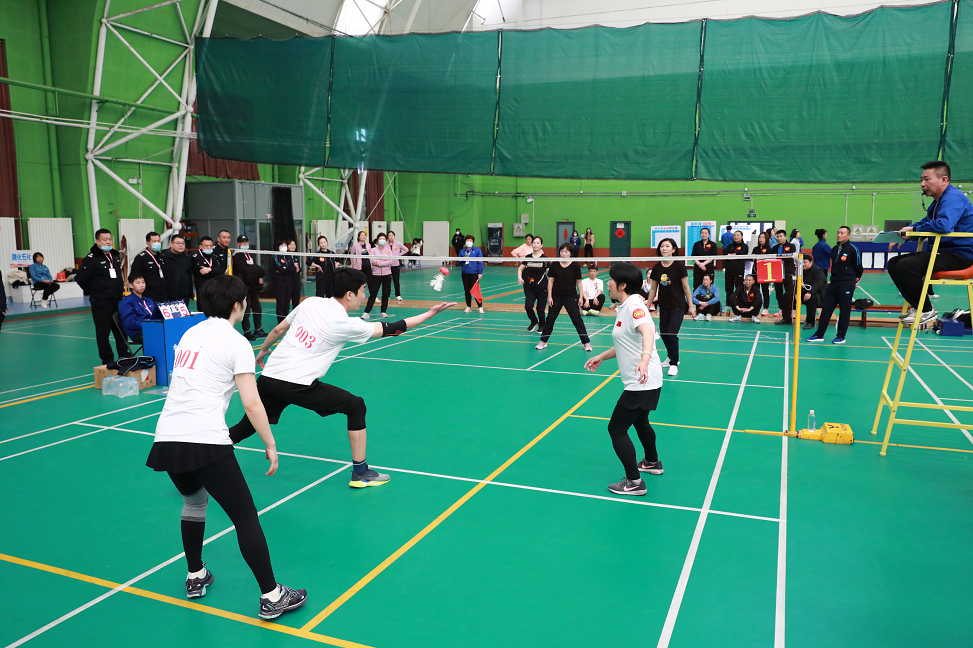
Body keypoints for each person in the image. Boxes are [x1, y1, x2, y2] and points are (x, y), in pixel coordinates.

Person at [146, 274, 307, 620]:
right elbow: (251, 403)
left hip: (167, 438)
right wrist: (270, 443)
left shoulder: (190, 333)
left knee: (194, 501)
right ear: (238, 305)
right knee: (245, 516)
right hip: (205, 438)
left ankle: (195, 574)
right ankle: (272, 596)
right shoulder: (237, 343)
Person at [228, 267, 455, 488]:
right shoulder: (345, 324)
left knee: (247, 425)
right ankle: (361, 473)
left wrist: (263, 350)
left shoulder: (311, 302)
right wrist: (430, 314)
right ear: (349, 294)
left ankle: (212, 451)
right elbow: (393, 328)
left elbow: (279, 330)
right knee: (356, 406)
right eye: (363, 290)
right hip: (298, 384)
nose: (364, 295)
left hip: (269, 377)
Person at [583, 261, 664, 497]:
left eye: (610, 280)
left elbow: (647, 333)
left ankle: (634, 481)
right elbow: (625, 342)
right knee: (640, 421)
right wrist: (601, 356)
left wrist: (644, 359)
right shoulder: (626, 306)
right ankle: (652, 462)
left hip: (641, 381)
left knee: (616, 429)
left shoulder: (635, 307)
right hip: (646, 380)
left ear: (622, 285)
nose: (607, 283)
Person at [887, 161, 973, 326]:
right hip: (943, 252)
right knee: (894, 263)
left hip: (960, 255)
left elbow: (944, 225)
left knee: (906, 265)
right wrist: (908, 234)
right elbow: (926, 222)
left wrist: (914, 230)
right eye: (921, 180)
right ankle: (918, 306)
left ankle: (926, 310)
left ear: (944, 179)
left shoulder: (953, 198)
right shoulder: (937, 202)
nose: (922, 184)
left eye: (927, 179)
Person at [77, 228, 131, 366]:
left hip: (117, 300)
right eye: (105, 239)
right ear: (97, 241)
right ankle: (107, 358)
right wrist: (95, 292)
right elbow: (81, 279)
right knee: (103, 331)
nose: (108, 242)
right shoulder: (91, 259)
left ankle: (124, 355)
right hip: (101, 302)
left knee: (120, 330)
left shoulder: (114, 256)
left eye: (110, 239)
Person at [645, 238, 696, 376]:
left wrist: (691, 306)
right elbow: (653, 289)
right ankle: (670, 357)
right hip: (664, 306)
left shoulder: (679, 266)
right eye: (662, 246)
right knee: (664, 333)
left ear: (673, 249)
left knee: (671, 333)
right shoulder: (657, 267)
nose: (664, 248)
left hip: (678, 306)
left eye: (667, 246)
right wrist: (647, 306)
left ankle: (674, 363)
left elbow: (686, 287)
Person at [807, 225, 863, 344]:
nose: (839, 235)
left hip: (847, 284)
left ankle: (841, 336)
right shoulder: (834, 249)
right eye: (838, 232)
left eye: (842, 233)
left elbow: (859, 267)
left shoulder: (853, 249)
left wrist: (856, 280)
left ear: (848, 235)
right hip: (833, 283)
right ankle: (819, 334)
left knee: (844, 310)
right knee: (826, 309)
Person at [537, 243, 591, 351]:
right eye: (562, 251)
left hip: (571, 297)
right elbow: (550, 281)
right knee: (550, 320)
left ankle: (586, 343)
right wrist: (550, 296)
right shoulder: (555, 264)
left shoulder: (575, 265)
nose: (564, 253)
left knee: (577, 320)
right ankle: (543, 341)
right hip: (556, 297)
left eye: (566, 251)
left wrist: (581, 297)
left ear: (570, 253)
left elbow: (579, 283)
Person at [232, 235, 267, 341]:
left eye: (246, 242)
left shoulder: (250, 255)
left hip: (253, 287)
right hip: (244, 286)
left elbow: (254, 269)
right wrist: (255, 270)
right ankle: (247, 332)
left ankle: (258, 329)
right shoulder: (237, 256)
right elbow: (245, 270)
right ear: (238, 244)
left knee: (257, 308)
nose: (245, 244)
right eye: (242, 243)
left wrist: (259, 277)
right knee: (246, 310)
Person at [518, 235, 547, 332]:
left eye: (538, 243)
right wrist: (520, 278)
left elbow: (549, 272)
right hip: (530, 287)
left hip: (542, 287)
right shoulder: (528, 257)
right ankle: (534, 321)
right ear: (532, 244)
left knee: (540, 309)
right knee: (528, 306)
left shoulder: (544, 258)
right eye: (534, 242)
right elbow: (520, 269)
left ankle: (542, 324)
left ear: (541, 245)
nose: (535, 244)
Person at [363, 232, 395, 319]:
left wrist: (379, 263)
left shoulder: (389, 250)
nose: (382, 240)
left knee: (386, 294)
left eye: (384, 239)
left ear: (386, 240)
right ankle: (366, 312)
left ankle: (383, 312)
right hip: (376, 275)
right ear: (377, 240)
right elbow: (372, 260)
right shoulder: (373, 250)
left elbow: (390, 261)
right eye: (380, 239)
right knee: (373, 294)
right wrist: (383, 262)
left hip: (387, 274)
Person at [130, 231, 167, 303]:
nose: (157, 243)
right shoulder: (141, 258)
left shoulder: (162, 257)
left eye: (158, 241)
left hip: (163, 294)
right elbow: (135, 276)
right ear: (148, 243)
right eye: (154, 241)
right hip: (148, 295)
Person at [118, 274, 156, 342]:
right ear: (131, 285)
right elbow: (129, 323)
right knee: (162, 335)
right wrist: (150, 325)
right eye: (138, 283)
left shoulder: (149, 301)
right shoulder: (126, 302)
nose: (141, 285)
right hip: (138, 332)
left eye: (143, 282)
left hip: (153, 327)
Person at [272, 240, 301, 324]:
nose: (283, 247)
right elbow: (282, 269)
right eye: (281, 246)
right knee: (281, 303)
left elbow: (294, 268)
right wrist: (288, 269)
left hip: (289, 282)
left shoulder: (288, 256)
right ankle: (280, 322)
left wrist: (287, 269)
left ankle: (286, 322)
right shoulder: (276, 256)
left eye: (284, 245)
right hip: (280, 283)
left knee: (287, 303)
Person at [773, 230, 797, 325]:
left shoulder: (791, 246)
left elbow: (791, 258)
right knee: (778, 293)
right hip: (777, 273)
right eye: (778, 237)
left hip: (788, 273)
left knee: (789, 293)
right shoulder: (775, 248)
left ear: (785, 237)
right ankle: (783, 312)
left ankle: (792, 311)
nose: (779, 238)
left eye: (781, 236)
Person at [163, 234, 194, 303]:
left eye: (183, 243)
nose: (181, 245)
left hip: (184, 293)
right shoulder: (164, 256)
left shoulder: (187, 257)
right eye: (178, 243)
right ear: (171, 244)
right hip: (169, 294)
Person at [458, 235, 484, 314]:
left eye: (470, 240)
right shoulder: (462, 252)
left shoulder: (477, 251)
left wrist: (480, 272)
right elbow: (458, 263)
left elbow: (480, 262)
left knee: (475, 291)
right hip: (465, 273)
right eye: (467, 240)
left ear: (473, 242)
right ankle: (468, 306)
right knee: (467, 291)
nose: (468, 242)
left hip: (474, 273)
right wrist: (463, 259)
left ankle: (480, 307)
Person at [800, 256, 827, 330]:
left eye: (805, 262)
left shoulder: (818, 271)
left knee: (811, 298)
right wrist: (796, 293)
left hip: (820, 296)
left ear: (811, 262)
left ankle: (810, 322)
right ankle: (787, 318)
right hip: (805, 293)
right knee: (788, 296)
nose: (803, 264)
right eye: (802, 262)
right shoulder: (801, 272)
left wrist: (810, 293)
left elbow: (817, 284)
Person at [723, 230, 748, 305]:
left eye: (738, 235)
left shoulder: (745, 246)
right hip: (729, 271)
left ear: (741, 237)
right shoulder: (729, 246)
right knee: (728, 289)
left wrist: (731, 255)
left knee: (739, 288)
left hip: (739, 271)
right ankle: (728, 305)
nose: (736, 237)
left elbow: (742, 254)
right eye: (734, 235)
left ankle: (740, 304)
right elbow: (725, 255)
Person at [753, 231, 774, 315]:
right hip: (755, 272)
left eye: (763, 237)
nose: (761, 239)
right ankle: (755, 307)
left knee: (765, 291)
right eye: (760, 237)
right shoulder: (755, 248)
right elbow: (751, 258)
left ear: (766, 239)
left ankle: (766, 308)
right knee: (755, 290)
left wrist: (761, 259)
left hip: (765, 272)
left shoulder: (769, 249)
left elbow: (770, 260)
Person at [386, 231, 410, 302]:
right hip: (387, 265)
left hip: (395, 265)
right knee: (387, 282)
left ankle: (398, 295)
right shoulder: (385, 244)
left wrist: (398, 255)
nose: (391, 237)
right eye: (389, 235)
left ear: (394, 236)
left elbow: (406, 249)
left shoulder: (398, 244)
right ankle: (387, 296)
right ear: (388, 237)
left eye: (392, 235)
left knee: (396, 281)